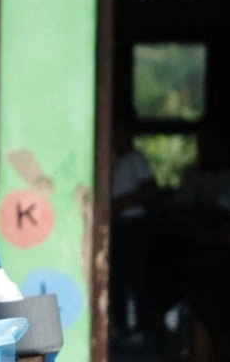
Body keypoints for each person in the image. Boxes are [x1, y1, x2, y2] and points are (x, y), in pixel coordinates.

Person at [109, 119, 160, 344]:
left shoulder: (135, 159)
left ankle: (142, 327)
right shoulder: (117, 161)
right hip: (120, 226)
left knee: (136, 277)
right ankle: (120, 326)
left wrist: (121, 204)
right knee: (118, 277)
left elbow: (149, 189)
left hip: (134, 225)